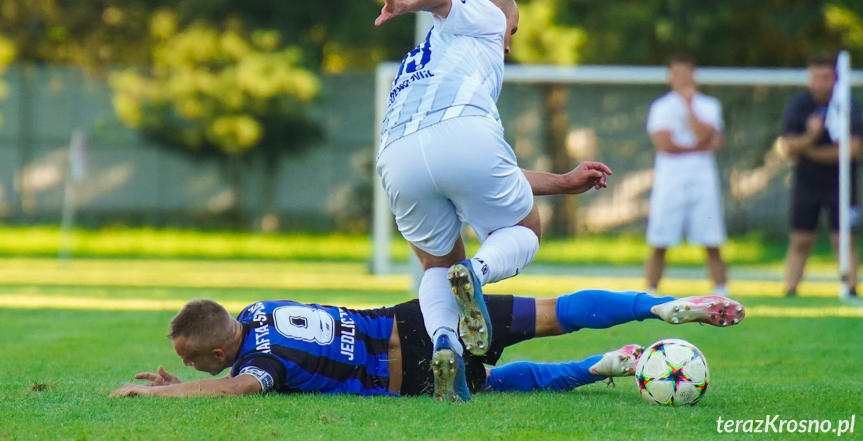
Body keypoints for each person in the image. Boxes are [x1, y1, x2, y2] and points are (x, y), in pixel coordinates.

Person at [358, 0, 613, 401]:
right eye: (513, 31)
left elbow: (485, 169)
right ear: (501, 15)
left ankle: (444, 344)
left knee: (438, 267)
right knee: (525, 230)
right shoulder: (488, 15)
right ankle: (476, 273)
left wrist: (564, 182)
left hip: (396, 157)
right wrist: (403, 1)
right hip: (463, 133)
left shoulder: (424, 60)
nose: (508, 45)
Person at [110, 291, 745, 399]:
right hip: (420, 315)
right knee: (554, 312)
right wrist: (187, 376)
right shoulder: (256, 313)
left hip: (410, 375)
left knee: (492, 384)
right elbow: (224, 368)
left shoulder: (262, 363)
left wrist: (157, 396)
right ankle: (654, 308)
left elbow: (236, 386)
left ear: (220, 355)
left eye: (192, 362)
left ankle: (606, 367)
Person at [644, 53, 728, 295]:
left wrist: (690, 108)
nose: (682, 79)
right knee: (660, 239)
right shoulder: (661, 107)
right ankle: (651, 290)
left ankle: (721, 290)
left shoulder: (709, 105)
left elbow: (711, 138)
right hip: (670, 180)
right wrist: (697, 146)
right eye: (677, 73)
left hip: (703, 180)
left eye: (686, 72)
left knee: (712, 238)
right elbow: (665, 144)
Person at [780, 54, 863, 298]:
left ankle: (850, 287)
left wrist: (808, 150)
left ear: (835, 79)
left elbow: (852, 149)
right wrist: (811, 136)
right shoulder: (798, 106)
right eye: (815, 77)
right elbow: (787, 147)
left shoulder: (850, 105)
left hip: (842, 184)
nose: (820, 82)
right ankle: (790, 289)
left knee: (843, 238)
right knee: (801, 239)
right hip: (806, 183)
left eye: (826, 77)